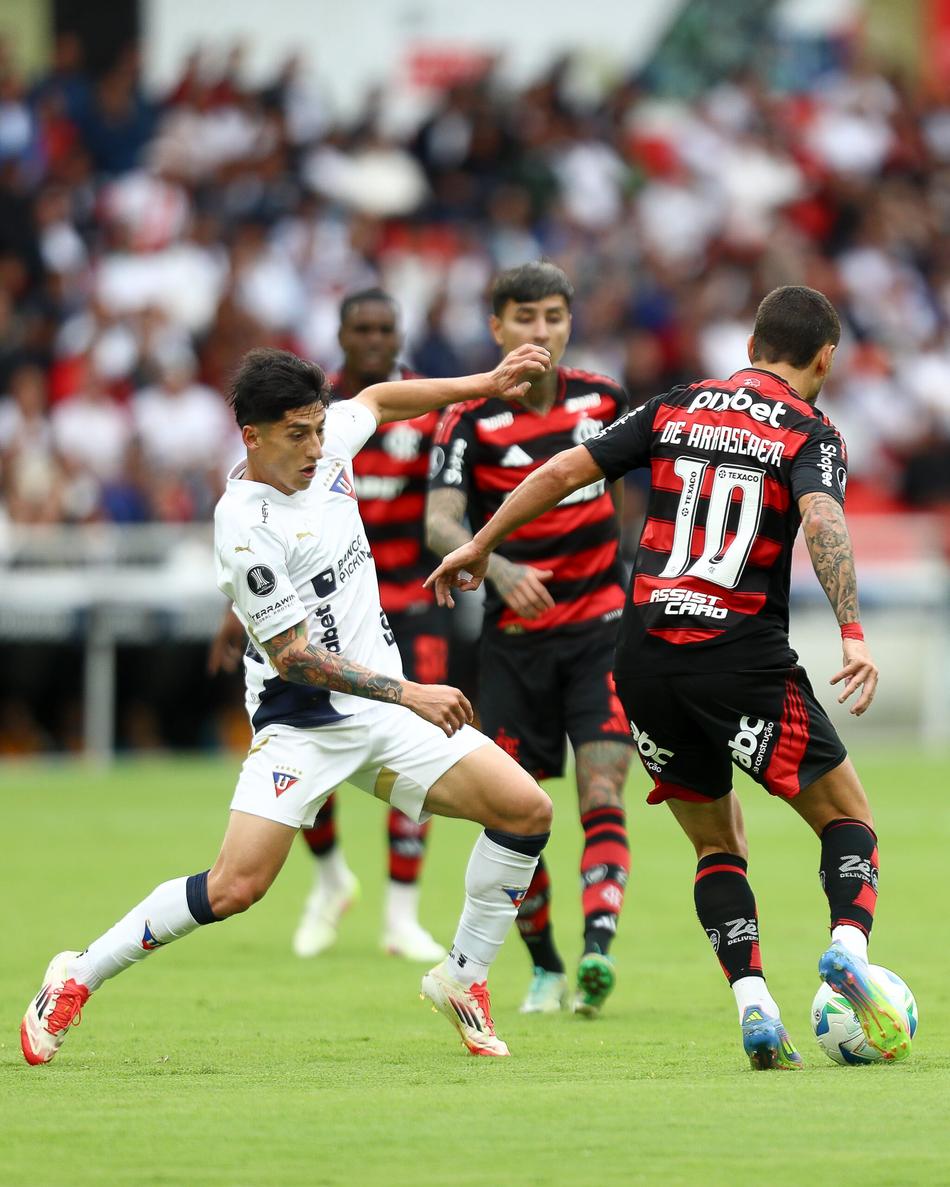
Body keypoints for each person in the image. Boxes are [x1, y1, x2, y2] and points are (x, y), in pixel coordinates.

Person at [21, 343, 555, 1066]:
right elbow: (294, 657)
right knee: (235, 887)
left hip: (386, 713)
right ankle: (75, 974)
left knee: (526, 811)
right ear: (253, 436)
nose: (315, 445)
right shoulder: (245, 525)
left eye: (318, 428)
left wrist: (484, 382)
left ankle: (462, 977)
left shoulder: (327, 449)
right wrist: (409, 691)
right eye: (297, 433)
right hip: (305, 722)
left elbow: (378, 401)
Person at [427, 285, 911, 1070]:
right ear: (825, 358)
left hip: (643, 654)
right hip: (740, 652)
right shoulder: (810, 430)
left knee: (717, 843)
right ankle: (848, 947)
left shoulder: (676, 405)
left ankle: (754, 1004)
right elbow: (823, 518)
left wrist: (482, 542)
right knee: (847, 816)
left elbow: (564, 470)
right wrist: (852, 632)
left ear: (751, 344)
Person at [209, 288, 447, 964]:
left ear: (399, 335)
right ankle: (330, 876)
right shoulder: (306, 409)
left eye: (385, 328)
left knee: (422, 741)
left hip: (409, 598)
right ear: (341, 336)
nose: (375, 339)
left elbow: (453, 493)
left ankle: (401, 913)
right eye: (362, 328)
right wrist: (236, 612)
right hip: (316, 611)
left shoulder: (419, 410)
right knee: (315, 733)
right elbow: (269, 547)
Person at [426, 261, 635, 1018]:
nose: (539, 331)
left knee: (603, 788)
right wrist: (502, 565)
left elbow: (627, 500)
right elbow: (439, 522)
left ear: (569, 322)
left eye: (552, 316)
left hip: (602, 631)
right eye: (524, 317)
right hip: (515, 644)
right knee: (513, 808)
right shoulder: (468, 419)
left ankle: (597, 951)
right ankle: (544, 964)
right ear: (497, 327)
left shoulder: (604, 399)